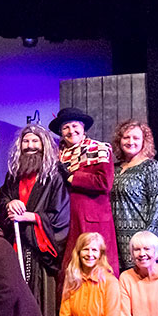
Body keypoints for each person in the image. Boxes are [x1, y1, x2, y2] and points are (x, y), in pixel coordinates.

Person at [0, 123, 70, 316]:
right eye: (26, 141)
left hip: (39, 250)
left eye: (35, 141)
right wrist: (9, 204)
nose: (30, 146)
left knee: (39, 299)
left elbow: (60, 216)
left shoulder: (55, 176)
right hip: (16, 243)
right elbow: (3, 197)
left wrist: (32, 217)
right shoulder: (14, 175)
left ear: (44, 144)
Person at [49, 107, 119, 275]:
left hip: (91, 218)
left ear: (83, 128)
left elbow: (104, 182)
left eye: (75, 126)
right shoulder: (56, 155)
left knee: (96, 266)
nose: (71, 131)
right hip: (66, 218)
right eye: (65, 127)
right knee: (70, 268)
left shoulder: (99, 149)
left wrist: (72, 177)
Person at [110, 120, 158, 271]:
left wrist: (147, 243)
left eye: (136, 138)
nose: (131, 142)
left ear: (144, 141)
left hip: (142, 245)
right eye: (126, 137)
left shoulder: (152, 168)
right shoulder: (114, 169)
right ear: (119, 141)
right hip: (117, 243)